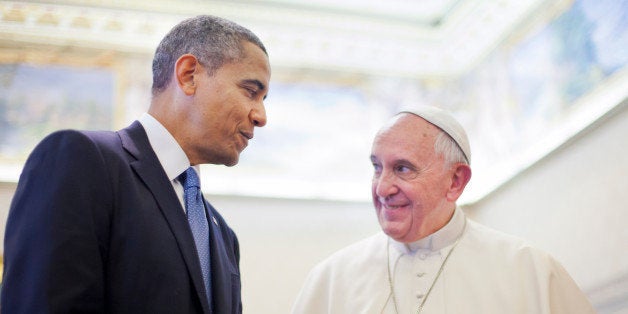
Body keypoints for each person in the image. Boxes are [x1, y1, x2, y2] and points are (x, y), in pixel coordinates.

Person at [2, 15, 270, 313]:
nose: (261, 115)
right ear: (189, 74)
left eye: (264, 99)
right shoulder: (82, 161)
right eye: (251, 91)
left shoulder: (223, 236)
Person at [291, 106, 596, 314]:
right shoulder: (331, 279)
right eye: (376, 167)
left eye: (403, 168)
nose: (382, 188)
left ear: (455, 181)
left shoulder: (529, 270)